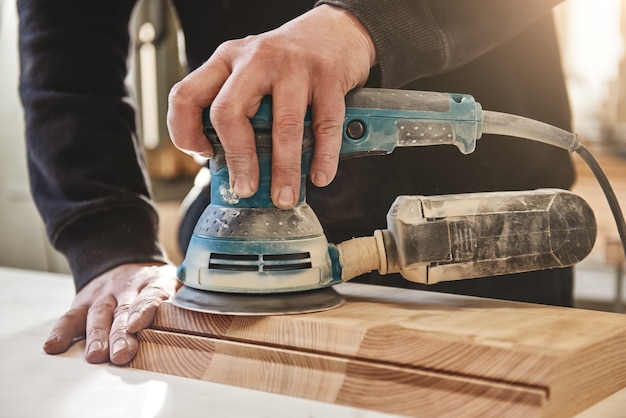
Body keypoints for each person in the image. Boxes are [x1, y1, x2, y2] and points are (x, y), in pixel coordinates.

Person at [18, 0, 572, 366]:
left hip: (489, 232)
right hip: (229, 303)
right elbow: (67, 60)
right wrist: (108, 242)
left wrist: (370, 23)